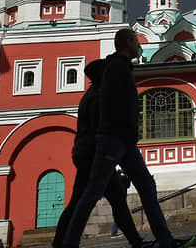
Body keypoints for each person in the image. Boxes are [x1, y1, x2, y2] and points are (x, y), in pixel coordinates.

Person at [61, 29, 194, 248]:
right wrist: (119, 130)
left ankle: (165, 240)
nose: (138, 45)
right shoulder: (116, 68)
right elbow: (112, 105)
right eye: (135, 41)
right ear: (127, 43)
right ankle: (69, 244)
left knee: (147, 188)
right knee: (92, 193)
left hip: (124, 140)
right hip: (114, 139)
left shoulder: (120, 68)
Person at [53, 59, 143, 248]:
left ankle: (60, 241)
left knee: (95, 200)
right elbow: (100, 129)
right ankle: (63, 242)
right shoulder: (98, 97)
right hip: (95, 156)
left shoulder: (90, 95)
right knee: (100, 201)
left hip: (87, 154)